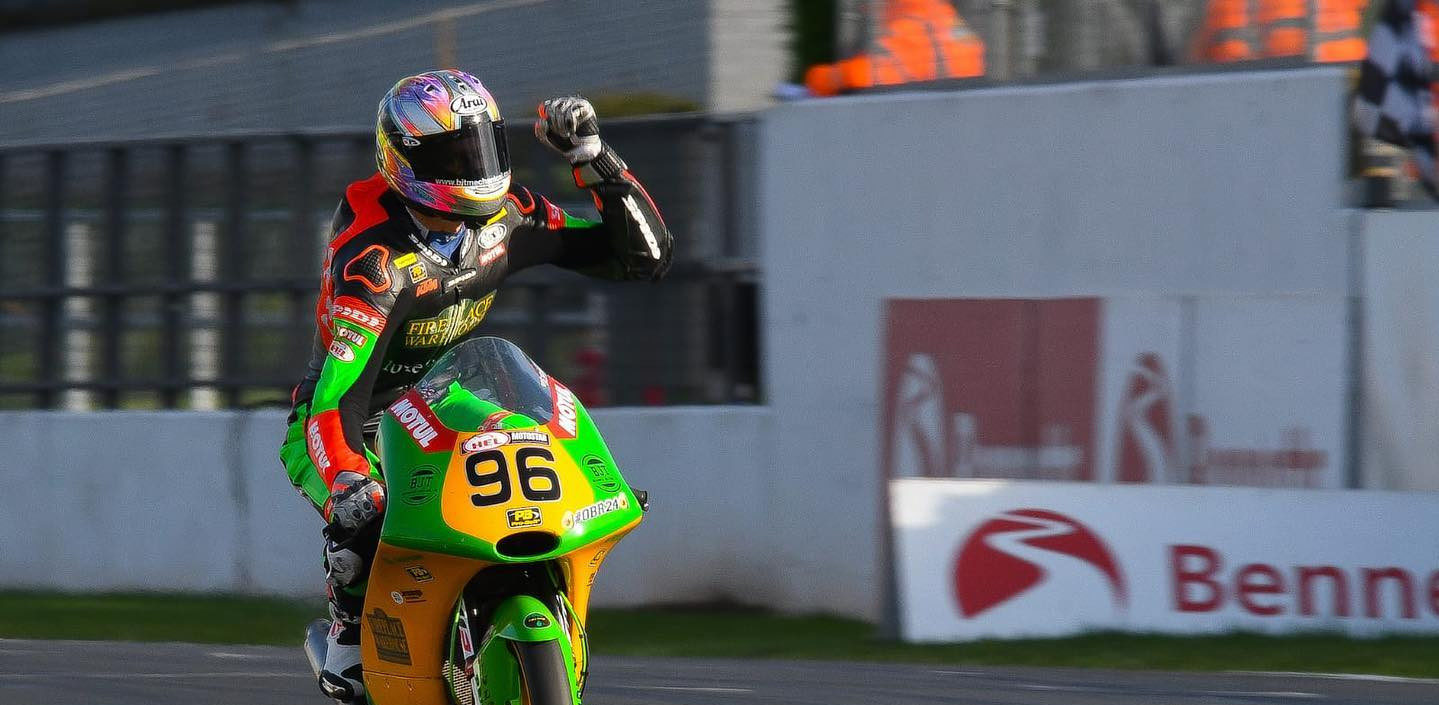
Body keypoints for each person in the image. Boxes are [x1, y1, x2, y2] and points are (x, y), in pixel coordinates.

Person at [277, 69, 672, 703]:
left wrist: (594, 159)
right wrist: (350, 475)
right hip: (344, 419)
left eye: (481, 148)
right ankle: (350, 638)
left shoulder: (506, 217)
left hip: (439, 399)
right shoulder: (375, 263)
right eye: (450, 156)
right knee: (367, 513)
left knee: (519, 448)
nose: (472, 170)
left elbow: (642, 256)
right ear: (402, 159)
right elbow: (335, 394)